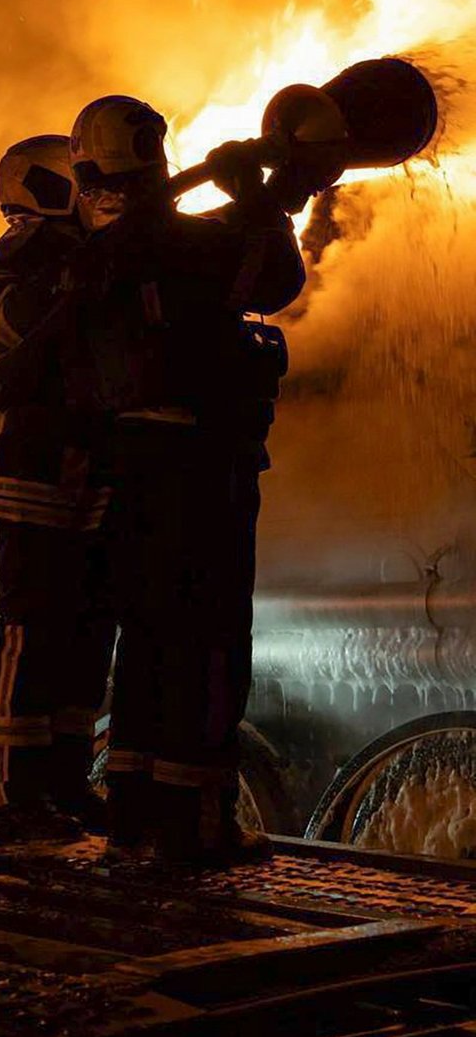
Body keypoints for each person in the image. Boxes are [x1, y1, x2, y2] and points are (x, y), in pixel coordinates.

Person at [66, 96, 305, 865]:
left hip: (131, 465)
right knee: (205, 643)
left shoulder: (96, 252)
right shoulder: (182, 241)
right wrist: (261, 201)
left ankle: (135, 817)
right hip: (202, 465)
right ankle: (197, 824)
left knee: (145, 641)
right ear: (158, 156)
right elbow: (274, 277)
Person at [0, 135, 116, 833]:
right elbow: (3, 321)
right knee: (31, 620)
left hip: (90, 450)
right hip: (38, 455)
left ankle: (64, 776)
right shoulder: (26, 249)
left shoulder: (96, 248)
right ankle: (12, 791)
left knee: (87, 624)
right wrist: (73, 277)